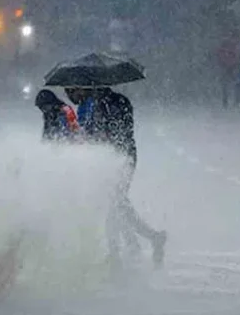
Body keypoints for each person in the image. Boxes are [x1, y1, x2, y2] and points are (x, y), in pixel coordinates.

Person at [37, 85, 167, 268]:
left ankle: (120, 254)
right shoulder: (118, 101)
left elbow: (108, 133)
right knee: (119, 204)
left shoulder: (101, 105)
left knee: (114, 207)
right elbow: (121, 129)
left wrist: (90, 137)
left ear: (82, 89)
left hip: (117, 158)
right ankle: (145, 240)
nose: (69, 97)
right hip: (125, 155)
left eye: (71, 92)